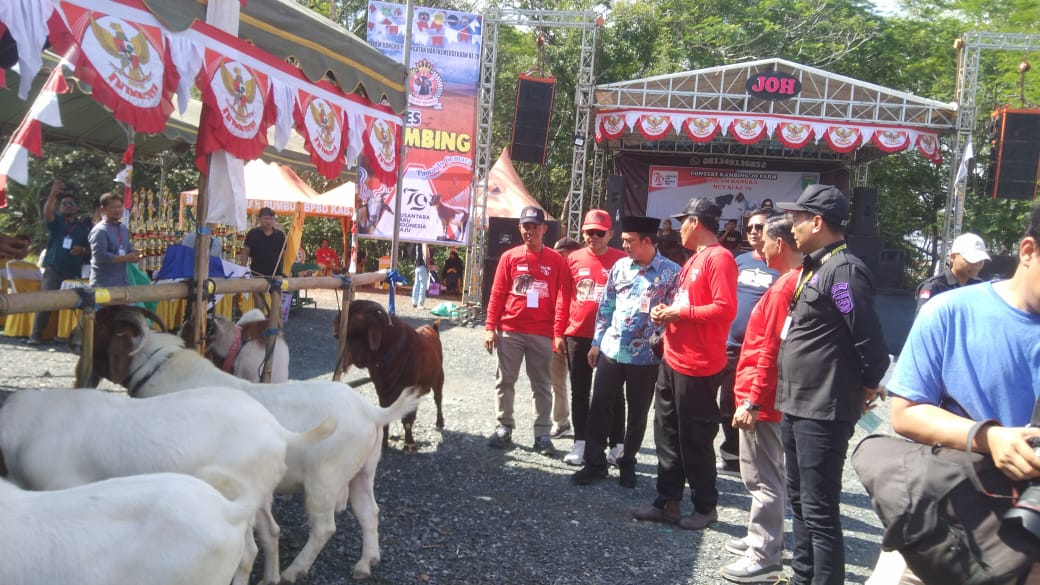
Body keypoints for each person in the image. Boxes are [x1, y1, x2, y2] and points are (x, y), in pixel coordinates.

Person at [867, 204, 1040, 585]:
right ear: (1028, 251)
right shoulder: (946, 307)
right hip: (943, 522)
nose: (976, 267)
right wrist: (989, 437)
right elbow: (906, 412)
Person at [774, 184, 890, 585]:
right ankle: (801, 578)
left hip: (822, 408)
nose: (792, 226)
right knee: (801, 504)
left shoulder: (843, 271)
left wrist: (870, 384)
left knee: (820, 510)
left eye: (798, 219)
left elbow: (869, 338)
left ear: (818, 222)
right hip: (798, 403)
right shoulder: (817, 266)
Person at [631, 197, 738, 530]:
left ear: (697, 222)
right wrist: (666, 312)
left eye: (684, 222)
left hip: (699, 365)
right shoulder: (694, 259)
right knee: (666, 435)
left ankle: (706, 507)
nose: (679, 229)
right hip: (674, 360)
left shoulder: (719, 259)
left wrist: (679, 313)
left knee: (695, 440)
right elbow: (687, 302)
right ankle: (668, 502)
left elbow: (725, 309)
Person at [721, 214, 803, 583]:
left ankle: (765, 555)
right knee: (767, 473)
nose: (761, 247)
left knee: (763, 477)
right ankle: (765, 537)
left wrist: (752, 401)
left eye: (766, 240)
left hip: (763, 400)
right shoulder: (789, 281)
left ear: (780, 244)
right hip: (765, 395)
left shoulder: (786, 286)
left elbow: (771, 348)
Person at [571, 216, 681, 488]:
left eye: (629, 241)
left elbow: (678, 313)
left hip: (646, 356)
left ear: (647, 241)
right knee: (600, 405)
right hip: (612, 349)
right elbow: (606, 306)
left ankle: (627, 461)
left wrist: (663, 338)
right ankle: (594, 463)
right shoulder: (620, 267)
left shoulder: (672, 272)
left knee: (638, 412)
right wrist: (597, 342)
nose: (625, 245)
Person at [484, 205, 569, 455]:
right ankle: (504, 426)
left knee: (542, 384)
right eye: (525, 226)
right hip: (510, 330)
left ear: (545, 229)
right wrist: (490, 327)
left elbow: (563, 298)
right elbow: (497, 293)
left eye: (535, 226)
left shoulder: (555, 260)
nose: (530, 231)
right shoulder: (509, 257)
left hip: (542, 333)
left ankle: (542, 433)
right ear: (520, 228)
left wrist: (558, 332)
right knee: (505, 380)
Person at [560, 209, 628, 466]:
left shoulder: (622, 260)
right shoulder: (573, 259)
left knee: (614, 392)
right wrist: (559, 333)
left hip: (612, 337)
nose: (593, 237)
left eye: (599, 233)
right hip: (578, 335)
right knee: (579, 390)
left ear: (610, 234)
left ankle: (618, 444)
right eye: (588, 232)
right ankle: (581, 441)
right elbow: (563, 298)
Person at [717, 208, 779, 476]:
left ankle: (758, 464)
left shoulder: (780, 264)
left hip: (761, 352)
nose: (754, 231)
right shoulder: (738, 261)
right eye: (751, 227)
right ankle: (731, 456)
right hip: (730, 346)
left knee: (758, 406)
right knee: (728, 402)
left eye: (760, 227)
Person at [29, 180, 90, 345]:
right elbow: (47, 212)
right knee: (46, 301)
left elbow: (89, 249)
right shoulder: (56, 222)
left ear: (76, 208)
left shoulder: (82, 228)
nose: (67, 206)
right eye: (64, 203)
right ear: (60, 206)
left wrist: (82, 250)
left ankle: (67, 335)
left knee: (77, 303)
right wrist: (53, 194)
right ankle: (35, 336)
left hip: (73, 272)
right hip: (54, 269)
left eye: (71, 204)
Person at [549, 236, 582, 439]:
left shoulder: (585, 274)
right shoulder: (554, 273)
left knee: (582, 387)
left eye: (561, 254)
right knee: (556, 381)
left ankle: (586, 429)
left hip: (580, 337)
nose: (557, 258)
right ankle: (561, 422)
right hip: (557, 336)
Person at [914, 232, 990, 314]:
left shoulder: (981, 286)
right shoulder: (933, 287)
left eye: (981, 261)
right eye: (971, 260)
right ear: (953, 257)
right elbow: (923, 321)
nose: (976, 266)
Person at [89, 192, 139, 288]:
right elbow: (100, 256)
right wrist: (127, 258)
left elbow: (127, 250)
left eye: (119, 207)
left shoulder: (123, 228)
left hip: (123, 283)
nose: (117, 210)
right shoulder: (100, 230)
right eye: (112, 207)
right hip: (104, 285)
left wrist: (135, 254)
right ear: (103, 209)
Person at [238, 207, 286, 278]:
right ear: (260, 219)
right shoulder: (252, 234)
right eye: (266, 218)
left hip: (275, 275)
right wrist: (242, 271)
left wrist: (286, 272)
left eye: (271, 218)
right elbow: (245, 253)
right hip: (256, 274)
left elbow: (285, 255)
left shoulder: (280, 235)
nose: (269, 221)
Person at [412, 243, 429, 309]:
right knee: (423, 285)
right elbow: (425, 255)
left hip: (417, 266)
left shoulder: (417, 243)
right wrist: (428, 266)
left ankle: (414, 302)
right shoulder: (424, 242)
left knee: (416, 284)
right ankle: (420, 304)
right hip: (422, 266)